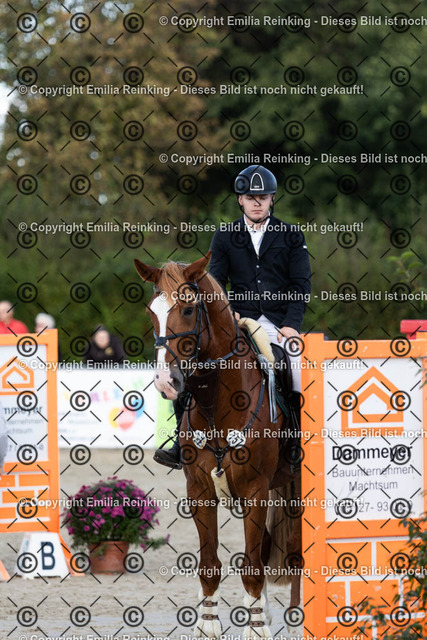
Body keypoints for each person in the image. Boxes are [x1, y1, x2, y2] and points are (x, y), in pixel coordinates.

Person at [154, 165, 311, 469]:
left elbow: (300, 284)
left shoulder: (291, 235)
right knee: (189, 362)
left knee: (297, 371)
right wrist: (226, 310)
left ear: (272, 199)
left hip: (278, 323)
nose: (257, 203)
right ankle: (179, 441)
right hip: (237, 319)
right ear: (240, 200)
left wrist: (291, 325)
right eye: (251, 197)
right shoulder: (225, 235)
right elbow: (215, 281)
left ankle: (295, 442)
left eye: (262, 197)